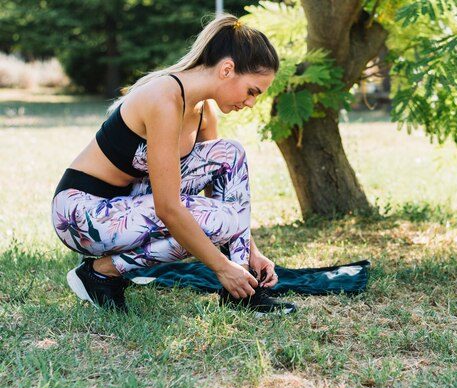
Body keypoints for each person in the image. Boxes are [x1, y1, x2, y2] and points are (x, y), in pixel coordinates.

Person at [50, 14, 296, 315]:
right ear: (227, 69)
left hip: (131, 204)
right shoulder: (164, 99)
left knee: (230, 153)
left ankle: (243, 289)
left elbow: (221, 194)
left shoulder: (204, 109)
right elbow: (169, 208)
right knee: (203, 221)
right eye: (252, 91)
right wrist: (221, 266)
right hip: (82, 214)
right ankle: (100, 272)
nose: (251, 103)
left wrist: (250, 253)